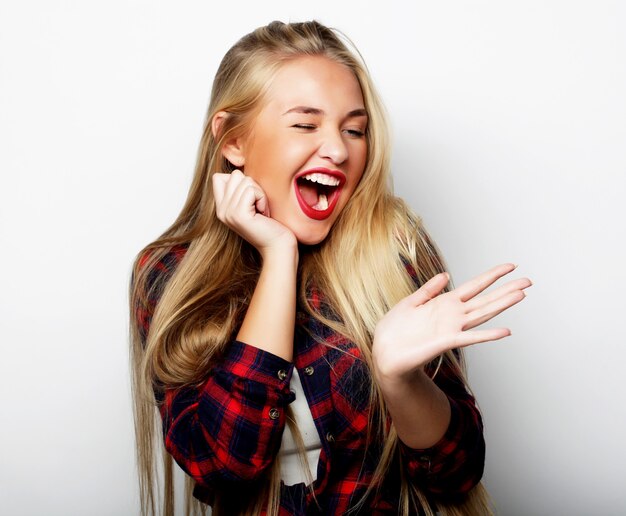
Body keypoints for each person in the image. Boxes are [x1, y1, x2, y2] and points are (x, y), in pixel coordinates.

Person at [130, 20, 531, 516]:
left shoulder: (394, 244)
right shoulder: (168, 273)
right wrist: (279, 255)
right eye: (306, 124)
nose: (339, 150)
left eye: (354, 129)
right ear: (232, 140)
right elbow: (223, 463)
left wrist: (399, 379)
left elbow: (459, 471)